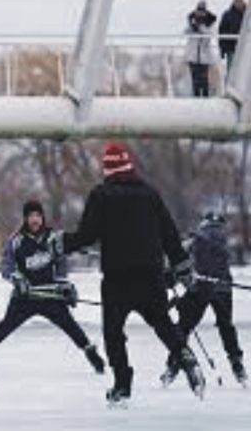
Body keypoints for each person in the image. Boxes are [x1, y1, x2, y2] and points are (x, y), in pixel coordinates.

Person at [58, 143, 206, 406]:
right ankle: (185, 357)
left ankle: (122, 385)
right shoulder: (150, 194)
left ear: (107, 168)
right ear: (129, 166)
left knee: (114, 333)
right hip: (151, 276)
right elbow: (170, 235)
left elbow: (86, 236)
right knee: (163, 323)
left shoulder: (101, 195)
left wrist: (58, 243)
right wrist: (182, 268)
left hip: (118, 279)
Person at [0, 200, 105, 375]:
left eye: (38, 216)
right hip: (25, 297)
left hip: (50, 295)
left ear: (43, 217)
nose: (35, 220)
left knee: (70, 326)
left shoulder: (53, 237)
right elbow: (7, 267)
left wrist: (64, 285)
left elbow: (61, 264)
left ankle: (91, 353)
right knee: (6, 326)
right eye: (31, 216)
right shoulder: (16, 241)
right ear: (25, 219)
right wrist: (17, 279)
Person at [161, 212, 247, 387]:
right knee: (225, 325)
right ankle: (237, 364)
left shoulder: (195, 239)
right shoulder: (224, 239)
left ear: (204, 222)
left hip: (199, 287)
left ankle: (173, 366)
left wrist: (169, 279)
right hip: (223, 287)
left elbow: (178, 260)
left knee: (184, 327)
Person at [185, 0, 217, 97]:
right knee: (194, 79)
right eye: (199, 11)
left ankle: (206, 98)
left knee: (204, 79)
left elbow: (209, 35)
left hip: (204, 56)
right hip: (193, 55)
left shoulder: (210, 22)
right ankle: (196, 98)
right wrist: (192, 24)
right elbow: (186, 32)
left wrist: (201, 27)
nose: (200, 14)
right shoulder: (191, 20)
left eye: (202, 11)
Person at [219, 0, 247, 71]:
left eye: (240, 1)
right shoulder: (227, 15)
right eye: (236, 1)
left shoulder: (247, 15)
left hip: (246, 48)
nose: (238, 3)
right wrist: (223, 48)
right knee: (231, 69)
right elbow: (222, 31)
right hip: (232, 48)